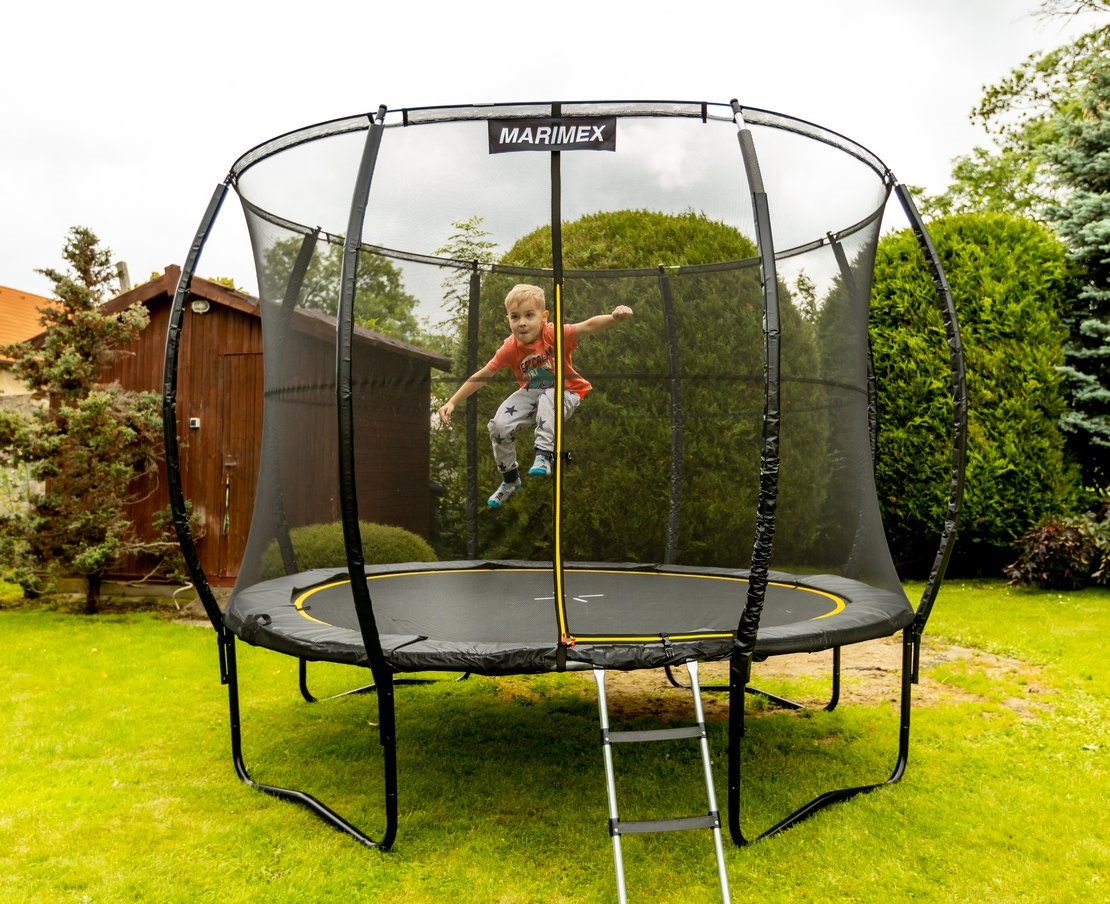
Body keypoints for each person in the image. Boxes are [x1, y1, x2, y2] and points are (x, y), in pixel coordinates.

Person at [437, 283, 633, 507]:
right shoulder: (510, 348)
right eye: (515, 317)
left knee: (549, 395)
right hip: (535, 393)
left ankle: (543, 454)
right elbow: (484, 374)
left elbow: (588, 326)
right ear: (508, 320)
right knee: (499, 425)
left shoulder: (551, 333)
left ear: (543, 317)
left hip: (567, 392)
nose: (522, 322)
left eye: (529, 315)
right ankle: (510, 479)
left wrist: (614, 318)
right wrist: (452, 402)